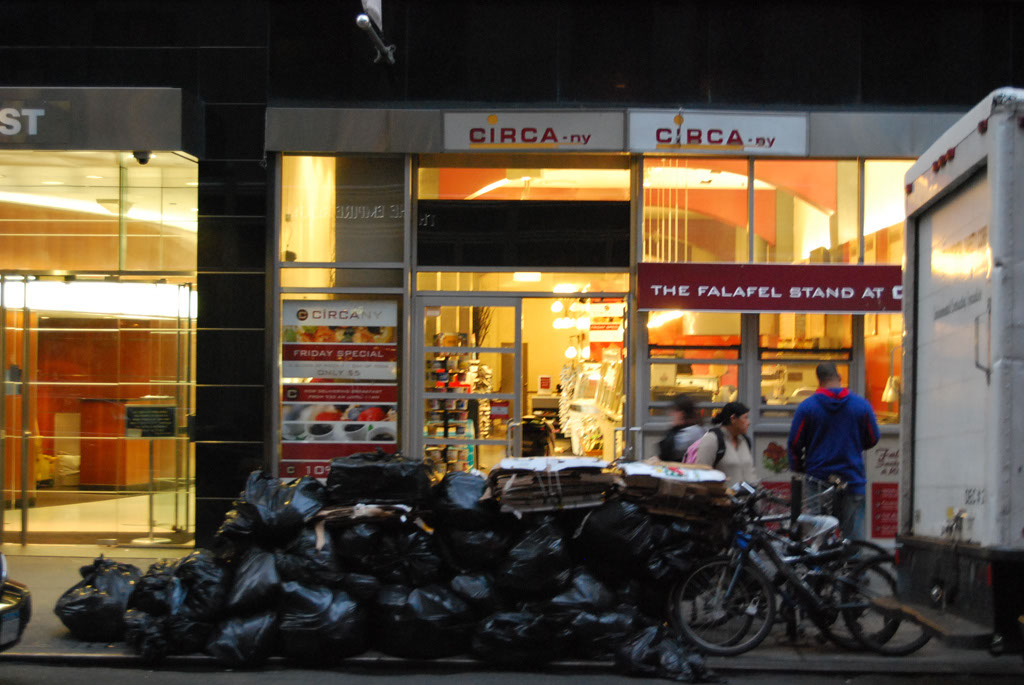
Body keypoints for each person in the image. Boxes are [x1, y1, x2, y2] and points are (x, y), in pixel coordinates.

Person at [787, 362, 880, 540]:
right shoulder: (861, 405)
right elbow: (873, 437)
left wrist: (800, 467)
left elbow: (795, 444)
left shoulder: (807, 407)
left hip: (818, 481)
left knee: (820, 535)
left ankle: (823, 566)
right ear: (839, 378)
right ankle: (852, 566)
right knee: (852, 537)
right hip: (852, 479)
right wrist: (855, 447)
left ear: (819, 381)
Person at [692, 401, 757, 486]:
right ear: (733, 418)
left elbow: (751, 473)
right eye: (745, 418)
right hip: (723, 498)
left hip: (747, 498)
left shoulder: (745, 441)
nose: (749, 422)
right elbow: (701, 474)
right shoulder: (712, 439)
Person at [657, 394, 704, 461]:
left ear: (682, 413)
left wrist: (673, 428)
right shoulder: (686, 429)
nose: (671, 415)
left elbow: (668, 452)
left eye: (674, 411)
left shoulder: (693, 431)